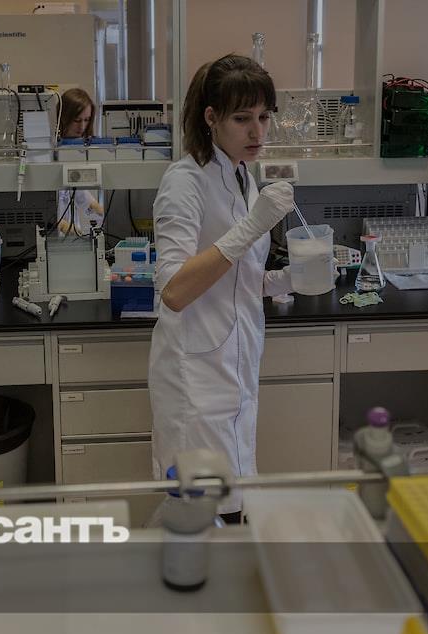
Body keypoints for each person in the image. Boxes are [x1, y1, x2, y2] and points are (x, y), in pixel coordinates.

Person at [148, 55, 299, 522]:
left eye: (264, 117)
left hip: (236, 368)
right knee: (202, 516)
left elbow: (238, 281)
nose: (257, 132)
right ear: (211, 117)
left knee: (233, 509)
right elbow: (174, 290)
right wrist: (253, 226)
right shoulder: (184, 181)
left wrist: (290, 279)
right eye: (242, 119)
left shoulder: (240, 176)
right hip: (195, 379)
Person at [55, 88, 103, 237]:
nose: (82, 127)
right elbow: (42, 208)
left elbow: (80, 194)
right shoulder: (50, 151)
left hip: (71, 236)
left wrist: (103, 212)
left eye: (86, 120)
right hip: (53, 237)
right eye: (77, 120)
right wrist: (63, 226)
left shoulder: (78, 150)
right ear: (63, 117)